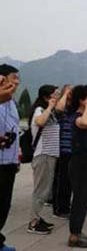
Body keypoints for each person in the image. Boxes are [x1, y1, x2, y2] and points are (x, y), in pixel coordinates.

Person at [28, 85, 62, 235]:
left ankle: (37, 217)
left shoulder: (51, 112)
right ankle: (33, 222)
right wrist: (50, 106)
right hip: (43, 155)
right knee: (40, 190)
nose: (57, 96)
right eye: (55, 94)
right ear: (46, 97)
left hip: (50, 155)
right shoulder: (40, 110)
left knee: (45, 189)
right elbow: (40, 122)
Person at [67, 85, 87, 248]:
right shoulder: (77, 117)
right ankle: (74, 235)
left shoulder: (86, 115)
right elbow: (85, 124)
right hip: (80, 164)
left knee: (85, 200)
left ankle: (78, 230)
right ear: (82, 99)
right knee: (79, 200)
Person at [0, 64, 20, 251]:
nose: (17, 82)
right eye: (13, 77)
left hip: (10, 159)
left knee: (5, 203)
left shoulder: (12, 102)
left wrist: (17, 157)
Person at [52, 85, 74, 219]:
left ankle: (66, 206)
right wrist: (65, 94)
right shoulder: (61, 107)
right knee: (62, 180)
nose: (71, 93)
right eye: (69, 91)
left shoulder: (73, 109)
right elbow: (58, 109)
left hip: (73, 149)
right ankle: (59, 208)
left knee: (69, 181)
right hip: (63, 149)